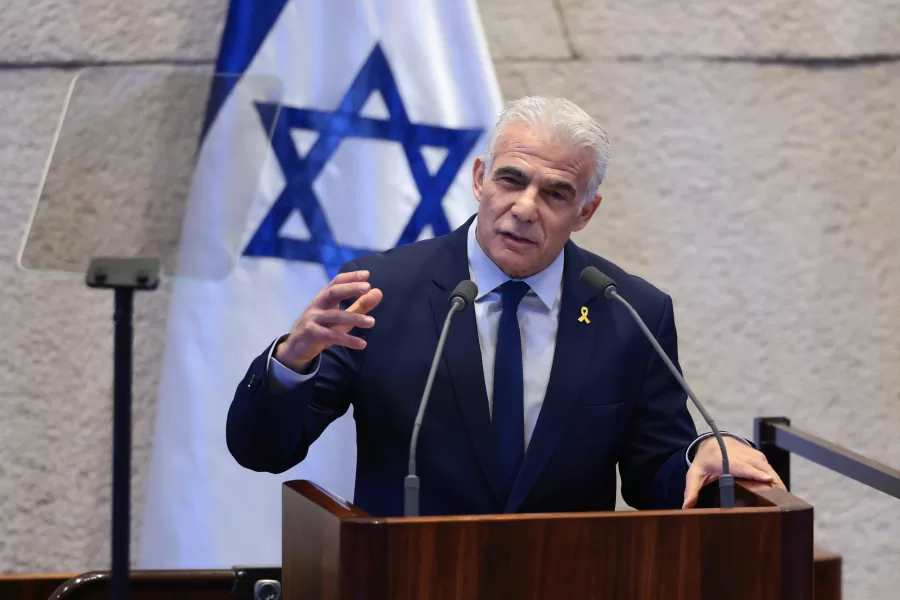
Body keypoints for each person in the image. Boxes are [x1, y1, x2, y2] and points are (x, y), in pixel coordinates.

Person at [226, 96, 783, 516]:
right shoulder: (380, 292)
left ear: (585, 212)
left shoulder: (630, 311)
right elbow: (262, 451)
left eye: (555, 193)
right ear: (479, 178)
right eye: (511, 180)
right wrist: (291, 362)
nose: (524, 207)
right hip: (406, 581)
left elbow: (651, 479)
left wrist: (699, 458)